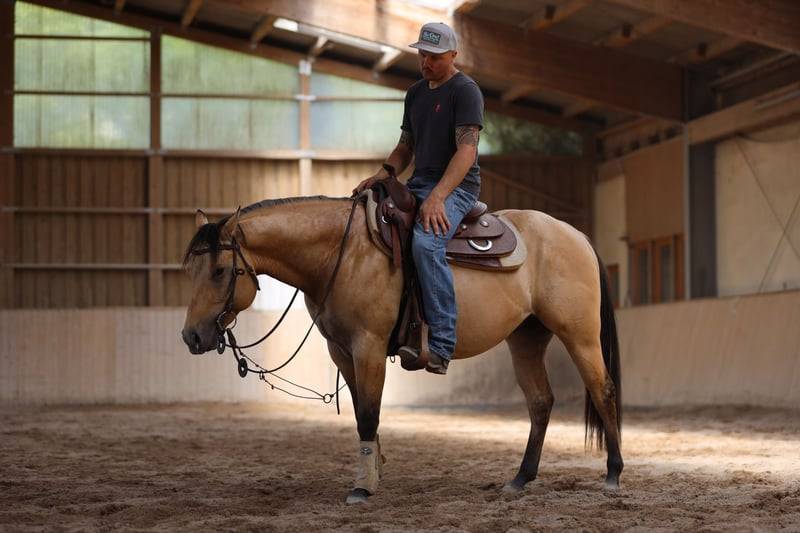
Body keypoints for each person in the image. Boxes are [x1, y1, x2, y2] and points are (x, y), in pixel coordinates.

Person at [354, 22, 483, 375]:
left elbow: (467, 151)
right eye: (422, 55)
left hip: (457, 187)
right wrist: (385, 173)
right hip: (419, 182)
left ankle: (441, 342)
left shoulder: (465, 91)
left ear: (453, 55)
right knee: (372, 219)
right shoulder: (415, 94)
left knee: (427, 244)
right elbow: (405, 146)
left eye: (434, 57)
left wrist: (439, 196)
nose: (425, 63)